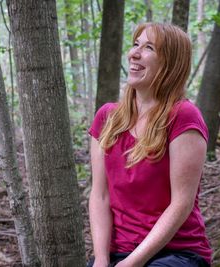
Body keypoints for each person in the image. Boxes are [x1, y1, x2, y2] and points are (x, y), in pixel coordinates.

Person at [88, 22, 212, 267]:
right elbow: (99, 195)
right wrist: (101, 260)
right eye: (135, 44)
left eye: (149, 48)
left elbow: (181, 204)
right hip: (118, 251)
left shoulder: (183, 116)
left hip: (177, 253)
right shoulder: (107, 117)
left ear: (170, 64)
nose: (134, 53)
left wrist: (132, 264)